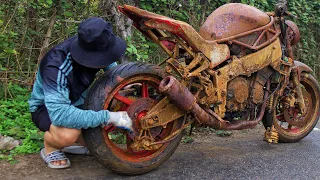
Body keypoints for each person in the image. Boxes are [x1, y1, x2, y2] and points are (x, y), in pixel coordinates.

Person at [28, 17, 133, 169]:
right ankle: (50, 146)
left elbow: (110, 64)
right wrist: (109, 117)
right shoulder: (55, 66)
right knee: (68, 135)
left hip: (77, 101)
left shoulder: (93, 42)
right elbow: (61, 115)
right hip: (47, 108)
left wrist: (125, 80)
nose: (106, 58)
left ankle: (80, 142)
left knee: (93, 135)